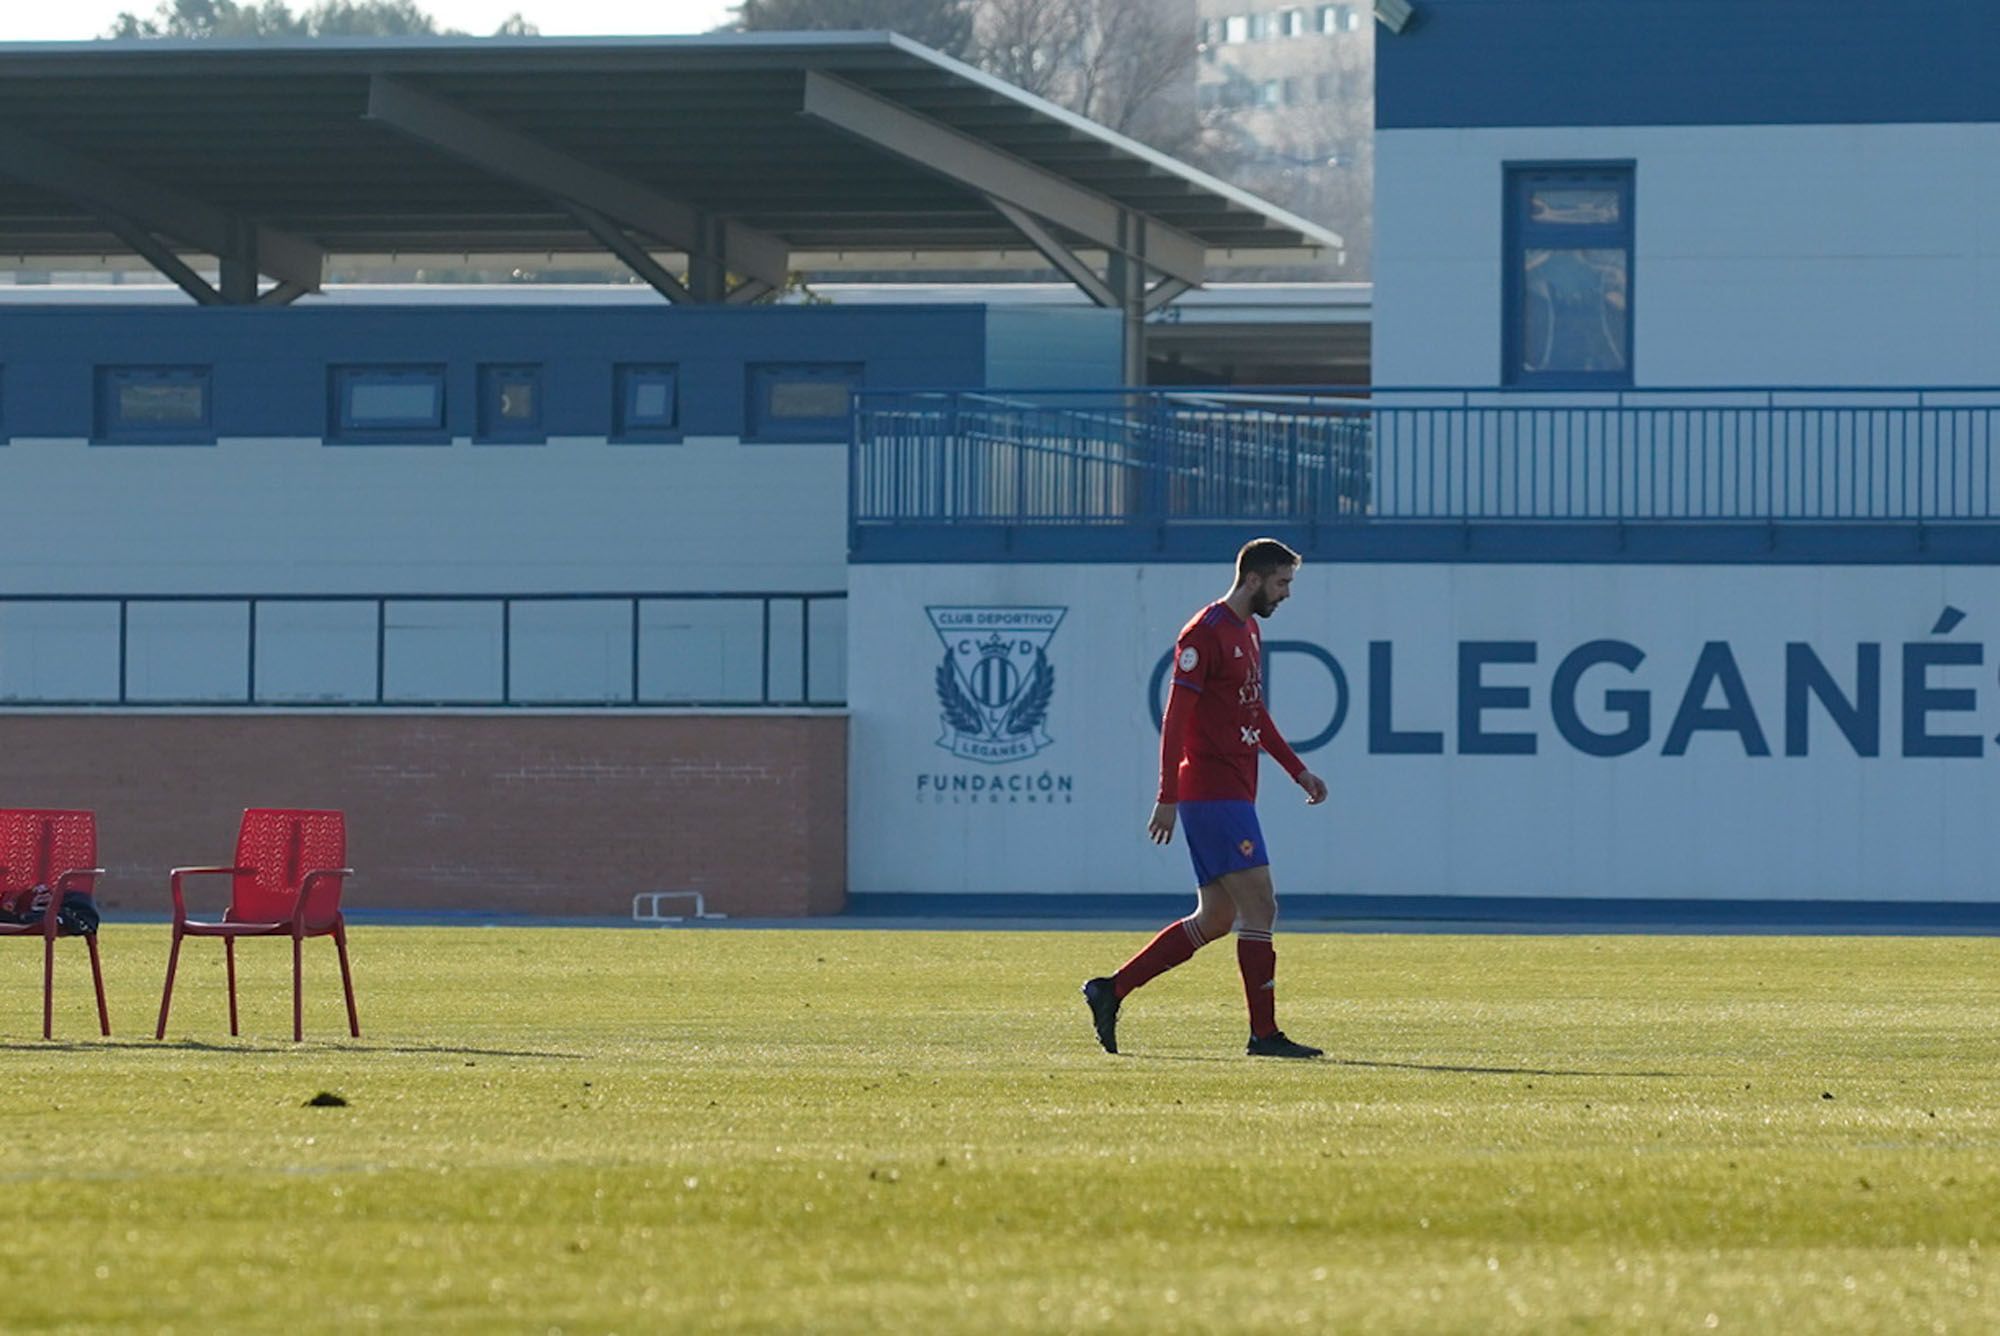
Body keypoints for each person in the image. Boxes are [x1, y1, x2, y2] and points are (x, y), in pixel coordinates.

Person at [1082, 537, 1329, 1058]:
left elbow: (1253, 712)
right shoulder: (1206, 633)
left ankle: (1110, 990)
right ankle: (1264, 1035)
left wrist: (1297, 770)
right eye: (1282, 582)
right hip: (1211, 793)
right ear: (1255, 579)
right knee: (1261, 904)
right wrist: (1167, 794)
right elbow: (1176, 719)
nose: (1286, 594)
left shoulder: (1250, 631)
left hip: (1236, 790)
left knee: (1216, 917)